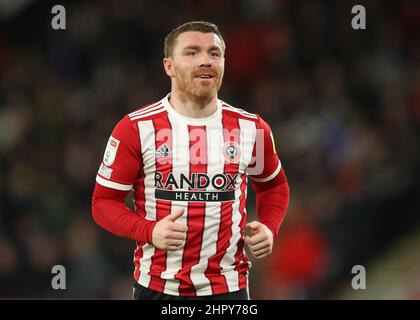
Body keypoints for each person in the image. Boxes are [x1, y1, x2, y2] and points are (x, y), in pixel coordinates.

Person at [91, 21, 290, 300]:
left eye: (214, 53)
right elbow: (103, 203)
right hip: (158, 287)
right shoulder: (136, 128)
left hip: (228, 289)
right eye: (192, 52)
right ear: (168, 66)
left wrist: (269, 226)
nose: (206, 60)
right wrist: (148, 231)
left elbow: (273, 187)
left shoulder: (251, 129)